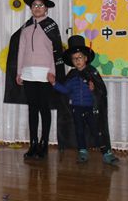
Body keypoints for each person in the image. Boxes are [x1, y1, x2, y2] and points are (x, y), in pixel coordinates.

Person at [4, 0, 65, 159]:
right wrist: (19, 72)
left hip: (45, 74)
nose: (37, 8)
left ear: (46, 9)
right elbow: (21, 50)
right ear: (31, 8)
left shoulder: (51, 26)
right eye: (34, 5)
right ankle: (33, 144)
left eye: (41, 5)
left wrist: (53, 72)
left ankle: (44, 144)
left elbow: (56, 51)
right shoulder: (26, 27)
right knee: (32, 109)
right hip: (29, 73)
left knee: (44, 108)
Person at [50, 35, 119, 165]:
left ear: (86, 58)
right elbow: (65, 90)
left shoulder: (92, 72)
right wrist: (54, 83)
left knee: (96, 130)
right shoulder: (72, 75)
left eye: (80, 57)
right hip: (76, 108)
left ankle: (106, 153)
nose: (77, 60)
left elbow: (101, 90)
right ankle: (82, 151)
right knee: (79, 130)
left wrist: (94, 89)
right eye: (74, 58)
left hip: (90, 108)